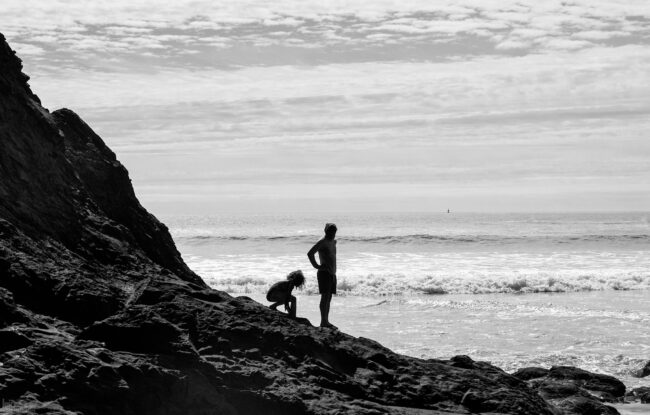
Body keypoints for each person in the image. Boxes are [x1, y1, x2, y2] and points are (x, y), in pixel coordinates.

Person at [307, 223, 337, 329]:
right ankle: (323, 321)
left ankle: (326, 321)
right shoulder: (322, 242)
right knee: (325, 297)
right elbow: (310, 253)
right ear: (326, 231)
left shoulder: (334, 242)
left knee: (329, 297)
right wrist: (316, 266)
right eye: (330, 232)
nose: (332, 234)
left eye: (334, 232)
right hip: (324, 273)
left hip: (332, 273)